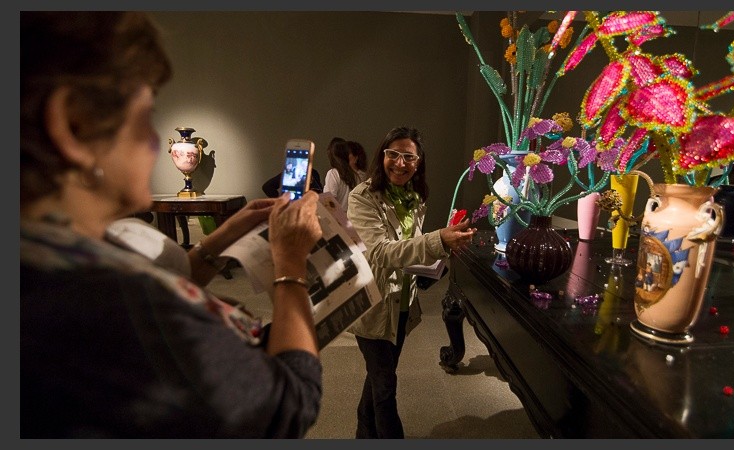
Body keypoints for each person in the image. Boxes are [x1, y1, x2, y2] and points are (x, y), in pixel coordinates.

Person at [21, 12, 324, 438]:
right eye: (146, 116)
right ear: (73, 125)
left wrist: (214, 245)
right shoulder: (120, 307)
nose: (153, 142)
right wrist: (290, 263)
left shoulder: (47, 253)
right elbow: (287, 407)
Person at [346, 126, 476, 439]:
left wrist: (441, 253)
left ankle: (363, 435)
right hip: (374, 305)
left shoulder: (414, 198)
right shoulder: (362, 197)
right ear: (382, 156)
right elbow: (380, 252)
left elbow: (409, 248)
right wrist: (437, 240)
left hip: (402, 304)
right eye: (393, 154)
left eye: (409, 157)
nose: (400, 163)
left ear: (418, 164)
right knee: (385, 389)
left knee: (379, 377)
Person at [323, 137, 367, 211]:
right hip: (356, 216)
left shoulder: (334, 173)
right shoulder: (360, 175)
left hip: (339, 216)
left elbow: (329, 201)